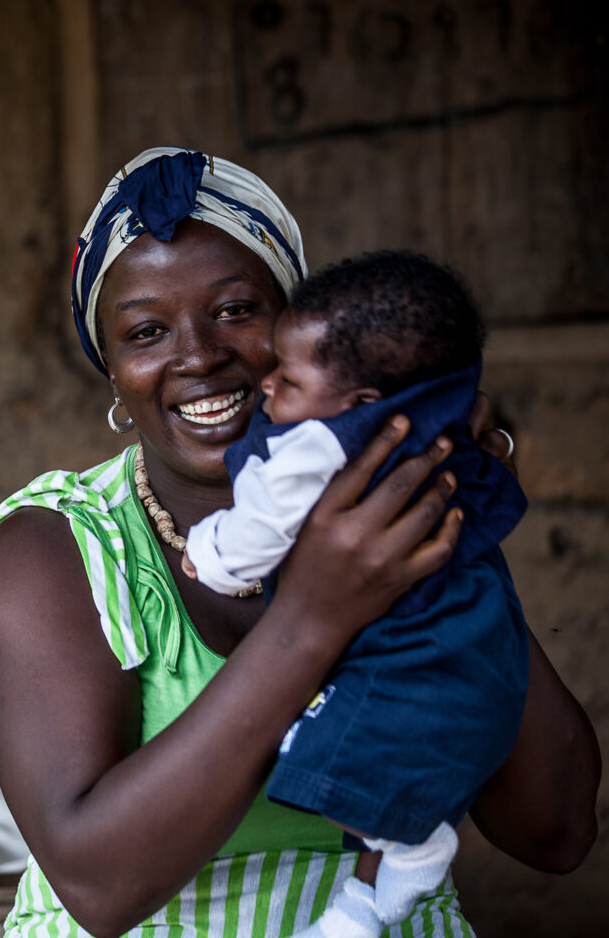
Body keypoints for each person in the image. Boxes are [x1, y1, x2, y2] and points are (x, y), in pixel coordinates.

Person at [0, 147, 600, 938]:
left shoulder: (397, 509)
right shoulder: (57, 547)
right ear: (113, 371)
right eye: (147, 331)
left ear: (306, 330)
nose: (198, 355)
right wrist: (314, 619)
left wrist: (451, 517)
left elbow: (557, 831)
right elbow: (97, 885)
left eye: (237, 310)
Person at [181, 251, 529, 938]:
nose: (269, 384)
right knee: (389, 772)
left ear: (362, 401)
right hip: (473, 639)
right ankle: (369, 901)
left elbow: (254, 535)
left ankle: (398, 864)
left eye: (236, 312)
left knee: (337, 777)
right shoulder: (434, 425)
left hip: (404, 646)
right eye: (145, 331)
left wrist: (204, 556)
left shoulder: (311, 449)